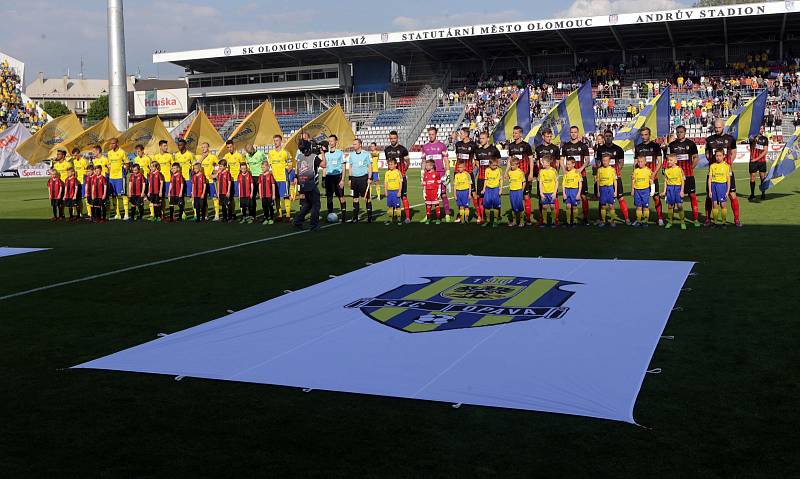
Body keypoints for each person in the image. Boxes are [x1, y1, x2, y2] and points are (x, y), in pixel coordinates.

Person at [704, 119, 740, 227]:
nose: (717, 129)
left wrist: (727, 165)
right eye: (715, 127)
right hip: (713, 173)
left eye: (719, 127)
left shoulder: (730, 139)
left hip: (727, 172)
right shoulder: (709, 140)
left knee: (732, 195)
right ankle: (707, 219)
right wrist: (713, 163)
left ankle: (736, 219)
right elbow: (707, 153)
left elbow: (733, 153)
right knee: (709, 196)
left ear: (723, 126)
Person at [667, 125, 701, 226]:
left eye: (681, 132)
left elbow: (696, 158)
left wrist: (691, 168)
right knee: (672, 200)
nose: (679, 134)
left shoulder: (691, 144)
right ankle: (671, 220)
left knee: (692, 196)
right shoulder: (672, 145)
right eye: (678, 132)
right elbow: (668, 159)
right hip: (675, 177)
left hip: (688, 175)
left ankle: (695, 219)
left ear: (685, 132)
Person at [594, 129, 629, 224]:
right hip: (604, 179)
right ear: (604, 137)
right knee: (602, 200)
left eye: (610, 136)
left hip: (615, 178)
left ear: (612, 137)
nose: (608, 137)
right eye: (606, 136)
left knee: (620, 198)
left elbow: (621, 162)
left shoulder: (618, 149)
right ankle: (601, 219)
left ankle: (626, 218)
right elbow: (597, 162)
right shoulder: (600, 149)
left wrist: (615, 172)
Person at [559, 126, 591, 224]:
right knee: (569, 196)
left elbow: (587, 160)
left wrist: (580, 169)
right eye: (572, 132)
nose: (573, 134)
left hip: (581, 175)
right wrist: (564, 170)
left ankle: (585, 217)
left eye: (575, 132)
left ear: (578, 133)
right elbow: (561, 160)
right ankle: (571, 218)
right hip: (570, 177)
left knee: (583, 196)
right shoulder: (565, 146)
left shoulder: (583, 146)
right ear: (570, 133)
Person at [293, 138, 326, 230]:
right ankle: (313, 224)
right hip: (311, 184)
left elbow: (298, 169)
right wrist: (323, 153)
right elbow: (324, 165)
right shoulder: (313, 157)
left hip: (303, 183)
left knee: (308, 204)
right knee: (316, 204)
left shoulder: (299, 157)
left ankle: (297, 220)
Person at [634, 127, 665, 225]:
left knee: (656, 197)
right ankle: (640, 219)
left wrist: (653, 174)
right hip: (640, 179)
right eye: (642, 135)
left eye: (646, 134)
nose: (644, 136)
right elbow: (635, 163)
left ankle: (660, 218)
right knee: (640, 200)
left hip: (652, 178)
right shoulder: (638, 147)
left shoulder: (655, 146)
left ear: (649, 134)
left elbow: (660, 162)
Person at [421, 127, 451, 222]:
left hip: (440, 173)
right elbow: (423, 161)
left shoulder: (442, 146)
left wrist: (448, 172)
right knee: (428, 195)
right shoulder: (425, 147)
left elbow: (446, 160)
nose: (431, 136)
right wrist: (422, 172)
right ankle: (428, 215)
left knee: (443, 194)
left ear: (436, 134)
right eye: (429, 134)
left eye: (432, 134)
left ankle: (447, 214)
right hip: (428, 175)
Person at [507, 125, 535, 225]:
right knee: (515, 198)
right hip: (514, 176)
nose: (514, 135)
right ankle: (516, 220)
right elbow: (510, 160)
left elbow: (531, 159)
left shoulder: (526, 146)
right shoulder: (511, 146)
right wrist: (507, 172)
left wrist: (531, 173)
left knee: (526, 196)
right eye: (513, 133)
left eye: (516, 133)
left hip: (525, 174)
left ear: (520, 134)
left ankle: (527, 219)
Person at [384, 131, 411, 222]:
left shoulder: (403, 149)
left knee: (403, 196)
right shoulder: (386, 150)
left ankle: (407, 217)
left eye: (394, 138)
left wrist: (403, 172)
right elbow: (389, 164)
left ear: (397, 138)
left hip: (401, 178)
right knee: (392, 197)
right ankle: (393, 218)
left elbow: (408, 162)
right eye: (391, 138)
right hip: (391, 180)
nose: (393, 140)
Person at [474, 131, 501, 224]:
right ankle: (482, 217)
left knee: (494, 198)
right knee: (480, 198)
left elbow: (499, 161)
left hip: (492, 180)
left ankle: (497, 217)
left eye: (483, 138)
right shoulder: (478, 150)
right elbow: (477, 163)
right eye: (480, 138)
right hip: (481, 178)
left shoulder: (494, 149)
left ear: (488, 139)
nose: (481, 140)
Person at [267, 135, 291, 222]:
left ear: (281, 141)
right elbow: (269, 166)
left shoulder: (285, 152)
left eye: (277, 140)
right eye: (274, 140)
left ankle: (288, 215)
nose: (275, 142)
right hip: (274, 179)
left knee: (286, 196)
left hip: (283, 178)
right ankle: (280, 215)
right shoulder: (270, 153)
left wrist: (286, 173)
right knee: (277, 197)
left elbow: (290, 165)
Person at [323, 134, 347, 222]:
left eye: (332, 141)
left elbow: (344, 167)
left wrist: (342, 179)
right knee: (329, 197)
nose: (330, 143)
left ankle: (344, 215)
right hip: (329, 177)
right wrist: (324, 178)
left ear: (336, 142)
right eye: (329, 141)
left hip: (338, 177)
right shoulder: (326, 154)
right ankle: (330, 215)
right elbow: (325, 167)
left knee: (341, 196)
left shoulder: (340, 153)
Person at [348, 139, 373, 223]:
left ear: (360, 145)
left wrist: (370, 178)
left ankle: (370, 217)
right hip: (354, 179)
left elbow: (370, 167)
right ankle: (355, 218)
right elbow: (350, 167)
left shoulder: (366, 154)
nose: (353, 145)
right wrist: (350, 179)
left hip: (364, 178)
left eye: (355, 144)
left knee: (367, 198)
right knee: (355, 198)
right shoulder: (351, 155)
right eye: (353, 144)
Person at [105, 138, 128, 220]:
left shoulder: (122, 152)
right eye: (111, 143)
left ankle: (126, 214)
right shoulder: (109, 153)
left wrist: (124, 173)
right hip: (112, 177)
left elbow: (127, 163)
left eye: (113, 143)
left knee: (123, 195)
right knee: (113, 195)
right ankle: (117, 214)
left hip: (120, 177)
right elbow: (108, 163)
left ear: (117, 143)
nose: (111, 145)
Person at [662, 153, 687, 229]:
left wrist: (682, 191)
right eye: (668, 160)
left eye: (671, 160)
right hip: (670, 189)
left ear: (675, 161)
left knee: (679, 206)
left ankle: (682, 222)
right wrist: (664, 191)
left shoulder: (679, 169)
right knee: (670, 206)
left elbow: (683, 181)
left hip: (678, 189)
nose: (669, 161)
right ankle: (670, 221)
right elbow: (665, 181)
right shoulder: (666, 170)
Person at [708, 148, 732, 227]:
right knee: (714, 204)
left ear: (723, 156)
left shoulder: (726, 166)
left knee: (723, 205)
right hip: (714, 186)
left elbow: (728, 180)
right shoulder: (712, 166)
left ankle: (723, 222)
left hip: (722, 186)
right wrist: (710, 191)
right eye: (716, 155)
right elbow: (710, 179)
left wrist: (727, 191)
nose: (718, 157)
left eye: (720, 155)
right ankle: (715, 222)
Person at [222, 140, 243, 220]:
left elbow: (243, 167)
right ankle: (233, 213)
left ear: (233, 145)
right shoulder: (226, 156)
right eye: (228, 147)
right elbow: (223, 167)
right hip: (229, 180)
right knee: (230, 198)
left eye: (230, 147)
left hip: (238, 179)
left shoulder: (239, 155)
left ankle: (243, 213)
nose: (230, 148)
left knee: (240, 197)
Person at [198, 142, 219, 220]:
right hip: (203, 182)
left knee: (214, 198)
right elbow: (196, 166)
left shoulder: (212, 157)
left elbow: (218, 166)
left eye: (205, 147)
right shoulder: (200, 157)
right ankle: (205, 215)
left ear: (208, 147)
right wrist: (202, 158)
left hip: (211, 182)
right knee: (204, 199)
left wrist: (215, 175)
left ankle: (217, 215)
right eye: (202, 147)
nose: (203, 149)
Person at [174, 139, 195, 219]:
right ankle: (183, 214)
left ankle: (196, 214)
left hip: (188, 179)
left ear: (185, 145)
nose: (179, 147)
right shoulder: (176, 155)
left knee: (191, 196)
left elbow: (194, 166)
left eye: (181, 145)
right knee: (181, 197)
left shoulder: (190, 154)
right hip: (179, 180)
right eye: (178, 145)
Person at [153, 140, 174, 219]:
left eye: (166, 145)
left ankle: (172, 215)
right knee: (161, 198)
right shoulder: (156, 157)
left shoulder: (170, 156)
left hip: (168, 179)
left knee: (170, 197)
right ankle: (162, 214)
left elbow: (174, 167)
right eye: (164, 146)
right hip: (158, 181)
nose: (166, 147)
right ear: (160, 146)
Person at [631, 153, 653, 227]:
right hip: (637, 191)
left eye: (642, 161)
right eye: (639, 162)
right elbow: (633, 181)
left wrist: (652, 190)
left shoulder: (648, 170)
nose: (640, 163)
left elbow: (651, 181)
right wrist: (632, 190)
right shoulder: (635, 171)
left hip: (645, 191)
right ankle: (639, 220)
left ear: (645, 162)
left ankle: (646, 221)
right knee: (638, 206)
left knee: (645, 207)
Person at [596, 153, 618, 227]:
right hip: (602, 189)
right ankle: (603, 221)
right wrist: (598, 191)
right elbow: (598, 182)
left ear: (609, 161)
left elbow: (615, 181)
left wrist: (615, 191)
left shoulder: (612, 169)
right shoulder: (599, 170)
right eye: (603, 161)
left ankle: (612, 220)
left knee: (611, 205)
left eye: (606, 160)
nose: (604, 162)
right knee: (603, 206)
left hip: (610, 188)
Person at [748, 124, 768, 200]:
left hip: (761, 161)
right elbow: (751, 140)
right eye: (759, 128)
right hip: (753, 161)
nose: (761, 130)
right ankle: (752, 194)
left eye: (762, 128)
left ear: (763, 130)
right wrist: (755, 138)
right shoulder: (752, 137)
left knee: (762, 178)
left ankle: (763, 194)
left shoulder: (765, 139)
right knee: (752, 178)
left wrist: (757, 159)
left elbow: (765, 150)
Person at [132, 145, 152, 218]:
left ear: (143, 150)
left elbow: (151, 169)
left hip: (146, 180)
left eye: (139, 151)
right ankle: (141, 214)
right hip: (138, 182)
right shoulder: (135, 159)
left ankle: (152, 213)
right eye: (136, 151)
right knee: (140, 198)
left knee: (149, 196)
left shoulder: (147, 158)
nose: (137, 153)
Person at [538, 154, 558, 227]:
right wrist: (541, 193)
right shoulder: (541, 171)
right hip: (544, 192)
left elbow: (556, 182)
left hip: (551, 192)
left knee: (552, 206)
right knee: (544, 207)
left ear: (547, 163)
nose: (541, 163)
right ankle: (544, 221)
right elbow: (540, 182)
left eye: (543, 162)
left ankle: (553, 221)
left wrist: (554, 193)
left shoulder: (553, 170)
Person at [482, 157, 503, 227]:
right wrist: (484, 189)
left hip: (495, 189)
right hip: (488, 189)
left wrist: (500, 189)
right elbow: (486, 180)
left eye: (496, 165)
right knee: (487, 205)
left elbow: (501, 180)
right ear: (489, 164)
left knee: (496, 205)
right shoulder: (487, 170)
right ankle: (487, 220)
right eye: (493, 165)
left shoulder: (499, 170)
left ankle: (495, 221)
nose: (495, 166)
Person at [562, 157, 583, 227]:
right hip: (567, 190)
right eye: (566, 164)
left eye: (569, 164)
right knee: (568, 206)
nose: (567, 166)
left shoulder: (577, 172)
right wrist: (564, 193)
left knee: (574, 206)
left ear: (573, 164)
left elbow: (580, 183)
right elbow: (563, 184)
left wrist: (578, 193)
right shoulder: (566, 173)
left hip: (575, 191)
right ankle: (568, 222)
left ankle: (575, 221)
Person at [507, 158, 526, 227]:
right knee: (513, 207)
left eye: (513, 165)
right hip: (512, 191)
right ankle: (514, 221)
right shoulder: (509, 172)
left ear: (518, 165)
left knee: (520, 207)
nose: (511, 166)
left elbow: (524, 182)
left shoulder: (520, 172)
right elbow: (509, 179)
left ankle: (522, 221)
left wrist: (521, 190)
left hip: (518, 191)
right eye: (511, 165)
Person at [69, 148, 88, 219]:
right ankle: (78, 213)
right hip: (76, 182)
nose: (74, 157)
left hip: (83, 182)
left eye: (75, 155)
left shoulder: (84, 161)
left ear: (79, 154)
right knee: (76, 199)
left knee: (84, 198)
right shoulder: (74, 161)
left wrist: (86, 181)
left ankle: (88, 213)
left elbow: (87, 172)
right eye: (73, 155)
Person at [422, 159, 442, 224]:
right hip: (428, 192)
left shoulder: (436, 174)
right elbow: (424, 184)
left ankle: (438, 219)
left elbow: (439, 183)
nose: (426, 167)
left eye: (427, 165)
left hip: (434, 191)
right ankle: (428, 219)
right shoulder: (425, 174)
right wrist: (424, 192)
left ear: (432, 166)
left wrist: (439, 190)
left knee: (436, 204)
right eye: (426, 165)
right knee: (428, 205)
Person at [384, 158, 403, 226]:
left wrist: (399, 191)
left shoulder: (398, 172)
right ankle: (390, 219)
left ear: (395, 164)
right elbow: (386, 182)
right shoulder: (387, 173)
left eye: (391, 164)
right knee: (390, 206)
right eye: (389, 164)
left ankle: (399, 219)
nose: (390, 166)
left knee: (397, 206)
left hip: (396, 191)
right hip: (389, 192)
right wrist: (386, 191)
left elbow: (401, 183)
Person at [257, 160, 275, 225]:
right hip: (263, 195)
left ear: (268, 167)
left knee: (270, 207)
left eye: (264, 167)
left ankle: (271, 218)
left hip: (269, 195)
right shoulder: (260, 175)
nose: (262, 169)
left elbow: (273, 185)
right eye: (262, 167)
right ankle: (266, 218)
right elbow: (259, 185)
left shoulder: (270, 175)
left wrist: (273, 194)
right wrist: (260, 194)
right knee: (264, 207)